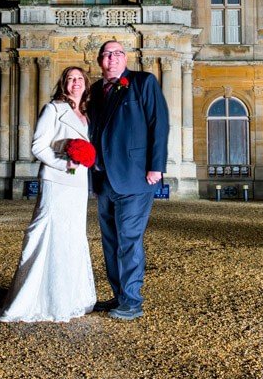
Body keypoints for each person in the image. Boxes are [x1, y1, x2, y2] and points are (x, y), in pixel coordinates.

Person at [0, 66, 97, 322]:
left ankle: (70, 297)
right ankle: (39, 300)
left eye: (79, 79)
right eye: (70, 79)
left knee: (73, 235)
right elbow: (38, 146)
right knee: (48, 233)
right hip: (57, 180)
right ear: (63, 84)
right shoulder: (53, 109)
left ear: (86, 83)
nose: (75, 83)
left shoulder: (86, 114)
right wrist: (65, 164)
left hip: (78, 184)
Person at [88, 41, 169, 321]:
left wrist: (156, 167)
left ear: (125, 58)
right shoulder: (97, 91)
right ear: (100, 60)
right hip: (105, 178)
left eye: (118, 53)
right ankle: (119, 294)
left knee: (129, 240)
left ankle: (132, 300)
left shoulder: (143, 81)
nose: (112, 58)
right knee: (110, 242)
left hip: (136, 177)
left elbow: (158, 123)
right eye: (107, 54)